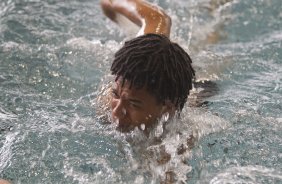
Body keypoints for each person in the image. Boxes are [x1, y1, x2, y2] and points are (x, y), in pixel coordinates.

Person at [100, 0, 195, 133]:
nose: (116, 112)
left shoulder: (176, 143)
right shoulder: (145, 51)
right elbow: (158, 17)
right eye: (115, 94)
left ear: (166, 109)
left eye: (133, 104)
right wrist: (111, 12)